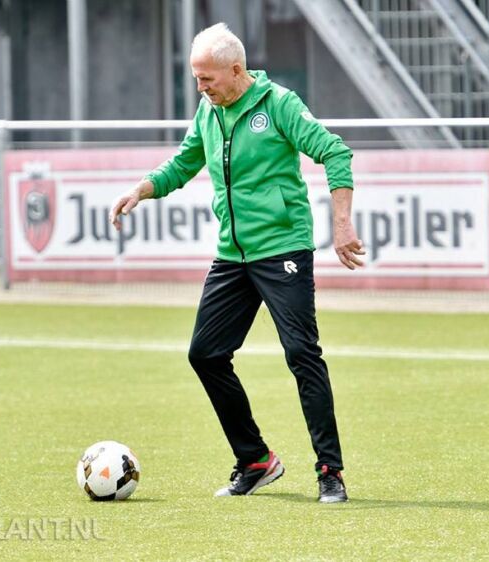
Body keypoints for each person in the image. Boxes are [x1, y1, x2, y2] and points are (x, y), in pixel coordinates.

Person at [109, 22, 364, 503]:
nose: (200, 88)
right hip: (233, 255)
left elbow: (335, 152)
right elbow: (184, 163)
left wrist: (342, 223)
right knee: (204, 354)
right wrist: (141, 189)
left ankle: (330, 470)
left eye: (206, 79)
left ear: (236, 69)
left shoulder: (280, 105)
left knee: (301, 354)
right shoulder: (209, 111)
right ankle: (255, 460)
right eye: (196, 78)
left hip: (283, 248)